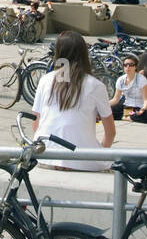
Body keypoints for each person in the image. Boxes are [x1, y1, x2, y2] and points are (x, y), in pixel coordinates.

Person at [33, 31, 116, 172]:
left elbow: (36, 124)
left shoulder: (45, 80)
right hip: (81, 158)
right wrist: (100, 152)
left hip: (45, 154)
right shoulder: (95, 85)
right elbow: (110, 132)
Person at [111, 55, 147, 122]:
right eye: (125, 65)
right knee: (109, 110)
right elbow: (115, 99)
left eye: (131, 65)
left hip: (138, 107)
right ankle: (128, 118)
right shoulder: (120, 80)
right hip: (126, 107)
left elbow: (146, 100)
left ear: (135, 67)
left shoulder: (141, 79)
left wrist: (142, 110)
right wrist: (104, 105)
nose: (128, 67)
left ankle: (125, 117)